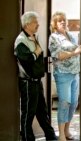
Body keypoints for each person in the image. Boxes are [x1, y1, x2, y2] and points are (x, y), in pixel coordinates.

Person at [14, 11, 57, 141]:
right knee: (28, 114)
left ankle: (51, 137)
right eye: (35, 22)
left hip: (37, 82)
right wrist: (37, 52)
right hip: (28, 82)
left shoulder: (33, 37)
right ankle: (28, 139)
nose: (38, 25)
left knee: (42, 112)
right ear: (27, 24)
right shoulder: (21, 40)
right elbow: (26, 58)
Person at [48, 11, 81, 141]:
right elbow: (59, 55)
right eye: (59, 21)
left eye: (64, 20)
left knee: (73, 103)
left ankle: (67, 129)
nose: (62, 22)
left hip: (75, 74)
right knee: (64, 103)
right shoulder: (54, 37)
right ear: (55, 24)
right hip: (63, 74)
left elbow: (77, 49)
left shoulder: (70, 35)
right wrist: (76, 52)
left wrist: (77, 49)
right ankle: (61, 134)